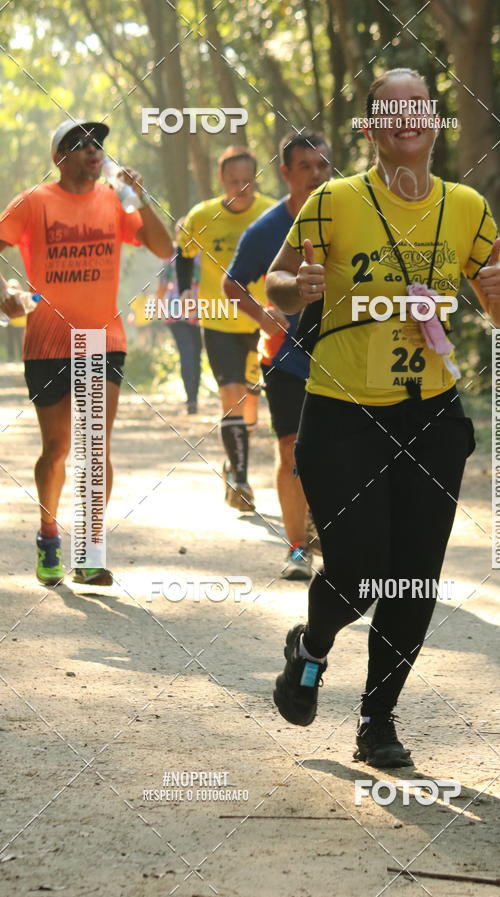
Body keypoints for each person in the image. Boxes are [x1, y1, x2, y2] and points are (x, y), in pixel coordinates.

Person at [266, 68, 500, 767]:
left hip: (431, 414)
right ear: (371, 127)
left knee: (413, 577)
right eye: (390, 108)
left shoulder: (467, 206)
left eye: (420, 106)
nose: (406, 116)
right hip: (343, 410)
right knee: (357, 571)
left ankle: (377, 721)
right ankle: (311, 650)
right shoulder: (334, 199)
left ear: (436, 122)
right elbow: (279, 282)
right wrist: (300, 287)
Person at [0, 119, 172, 587]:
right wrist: (4, 294)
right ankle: (49, 536)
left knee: (95, 447)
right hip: (47, 339)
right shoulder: (34, 202)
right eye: (79, 143)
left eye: (97, 143)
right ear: (60, 157)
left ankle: (91, 550)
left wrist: (141, 197)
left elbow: (164, 246)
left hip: (102, 338)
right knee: (56, 449)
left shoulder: (117, 201)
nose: (93, 150)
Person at [222, 133, 332, 579]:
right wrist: (264, 318)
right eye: (304, 166)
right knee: (291, 449)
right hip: (286, 357)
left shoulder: (349, 215)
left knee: (335, 454)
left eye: (322, 165)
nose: (315, 175)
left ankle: (330, 533)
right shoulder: (267, 229)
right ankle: (297, 548)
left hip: (344, 356)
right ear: (286, 173)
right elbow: (233, 285)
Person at [177, 146, 276, 512]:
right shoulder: (202, 215)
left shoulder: (271, 213)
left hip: (261, 321)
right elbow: (183, 253)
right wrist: (186, 288)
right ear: (221, 180)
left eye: (247, 181)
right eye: (233, 181)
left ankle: (234, 464)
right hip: (217, 319)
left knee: (251, 403)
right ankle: (242, 480)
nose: (241, 188)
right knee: (231, 395)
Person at [159, 223, 201, 414]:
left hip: (178, 311)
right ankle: (192, 399)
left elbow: (162, 286)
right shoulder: (201, 254)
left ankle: (191, 399)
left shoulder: (170, 256)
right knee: (194, 353)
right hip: (195, 311)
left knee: (188, 353)